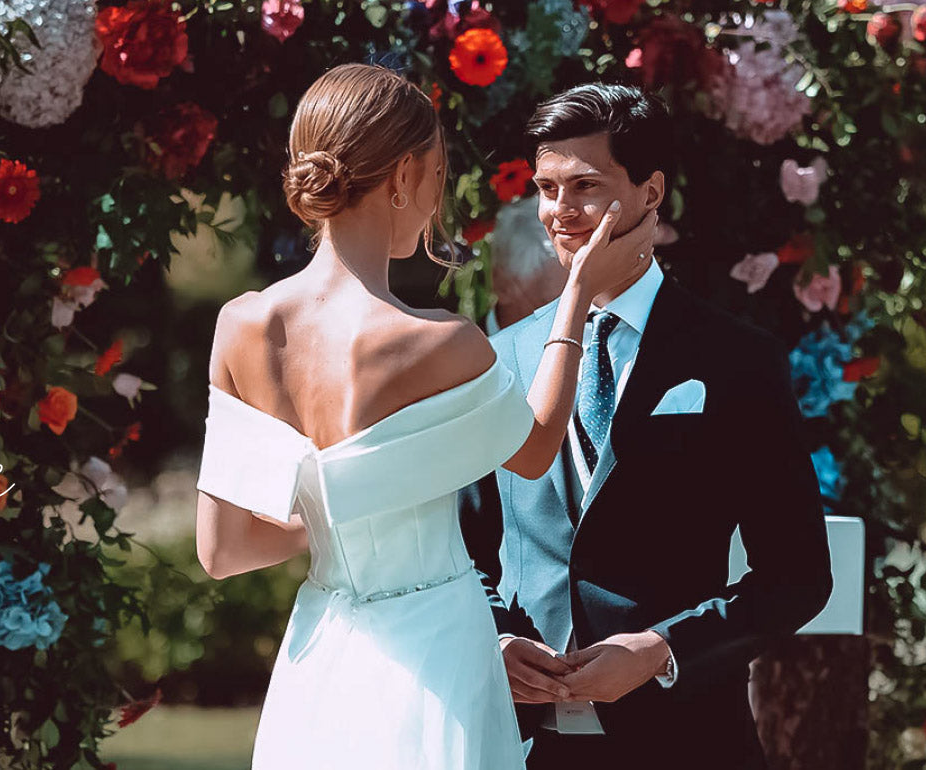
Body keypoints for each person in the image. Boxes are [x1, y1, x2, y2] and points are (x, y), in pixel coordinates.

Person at [194, 64, 653, 769]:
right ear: (403, 176)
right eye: (437, 173)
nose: (436, 197)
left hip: (320, 653)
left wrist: (329, 515)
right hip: (438, 649)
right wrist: (576, 292)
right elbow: (533, 450)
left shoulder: (242, 325)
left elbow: (222, 551)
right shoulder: (439, 342)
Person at [456, 83, 833, 769]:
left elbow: (798, 574)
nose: (560, 213)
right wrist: (497, 638)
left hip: (688, 744)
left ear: (650, 192)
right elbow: (464, 549)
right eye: (546, 188)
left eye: (585, 187)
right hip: (519, 745)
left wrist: (665, 649)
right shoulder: (503, 355)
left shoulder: (736, 358)